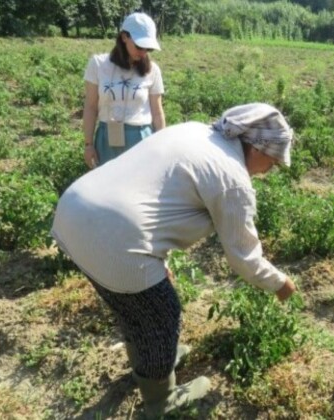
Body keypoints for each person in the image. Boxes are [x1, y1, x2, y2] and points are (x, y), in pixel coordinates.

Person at [51, 103, 298, 417]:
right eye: (272, 161)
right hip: (115, 241)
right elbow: (243, 257)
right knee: (162, 316)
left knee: (132, 306)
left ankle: (151, 362)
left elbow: (157, 199)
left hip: (76, 213)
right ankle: (160, 399)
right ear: (257, 147)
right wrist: (280, 284)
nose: (269, 169)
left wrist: (159, 262)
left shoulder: (194, 131)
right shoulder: (232, 178)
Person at [82, 12, 166, 169]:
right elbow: (91, 107)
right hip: (107, 138)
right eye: (140, 46)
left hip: (141, 139)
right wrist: (88, 145)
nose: (143, 53)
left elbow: (157, 112)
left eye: (148, 49)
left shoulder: (152, 70)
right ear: (124, 37)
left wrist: (163, 145)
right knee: (106, 188)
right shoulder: (98, 65)